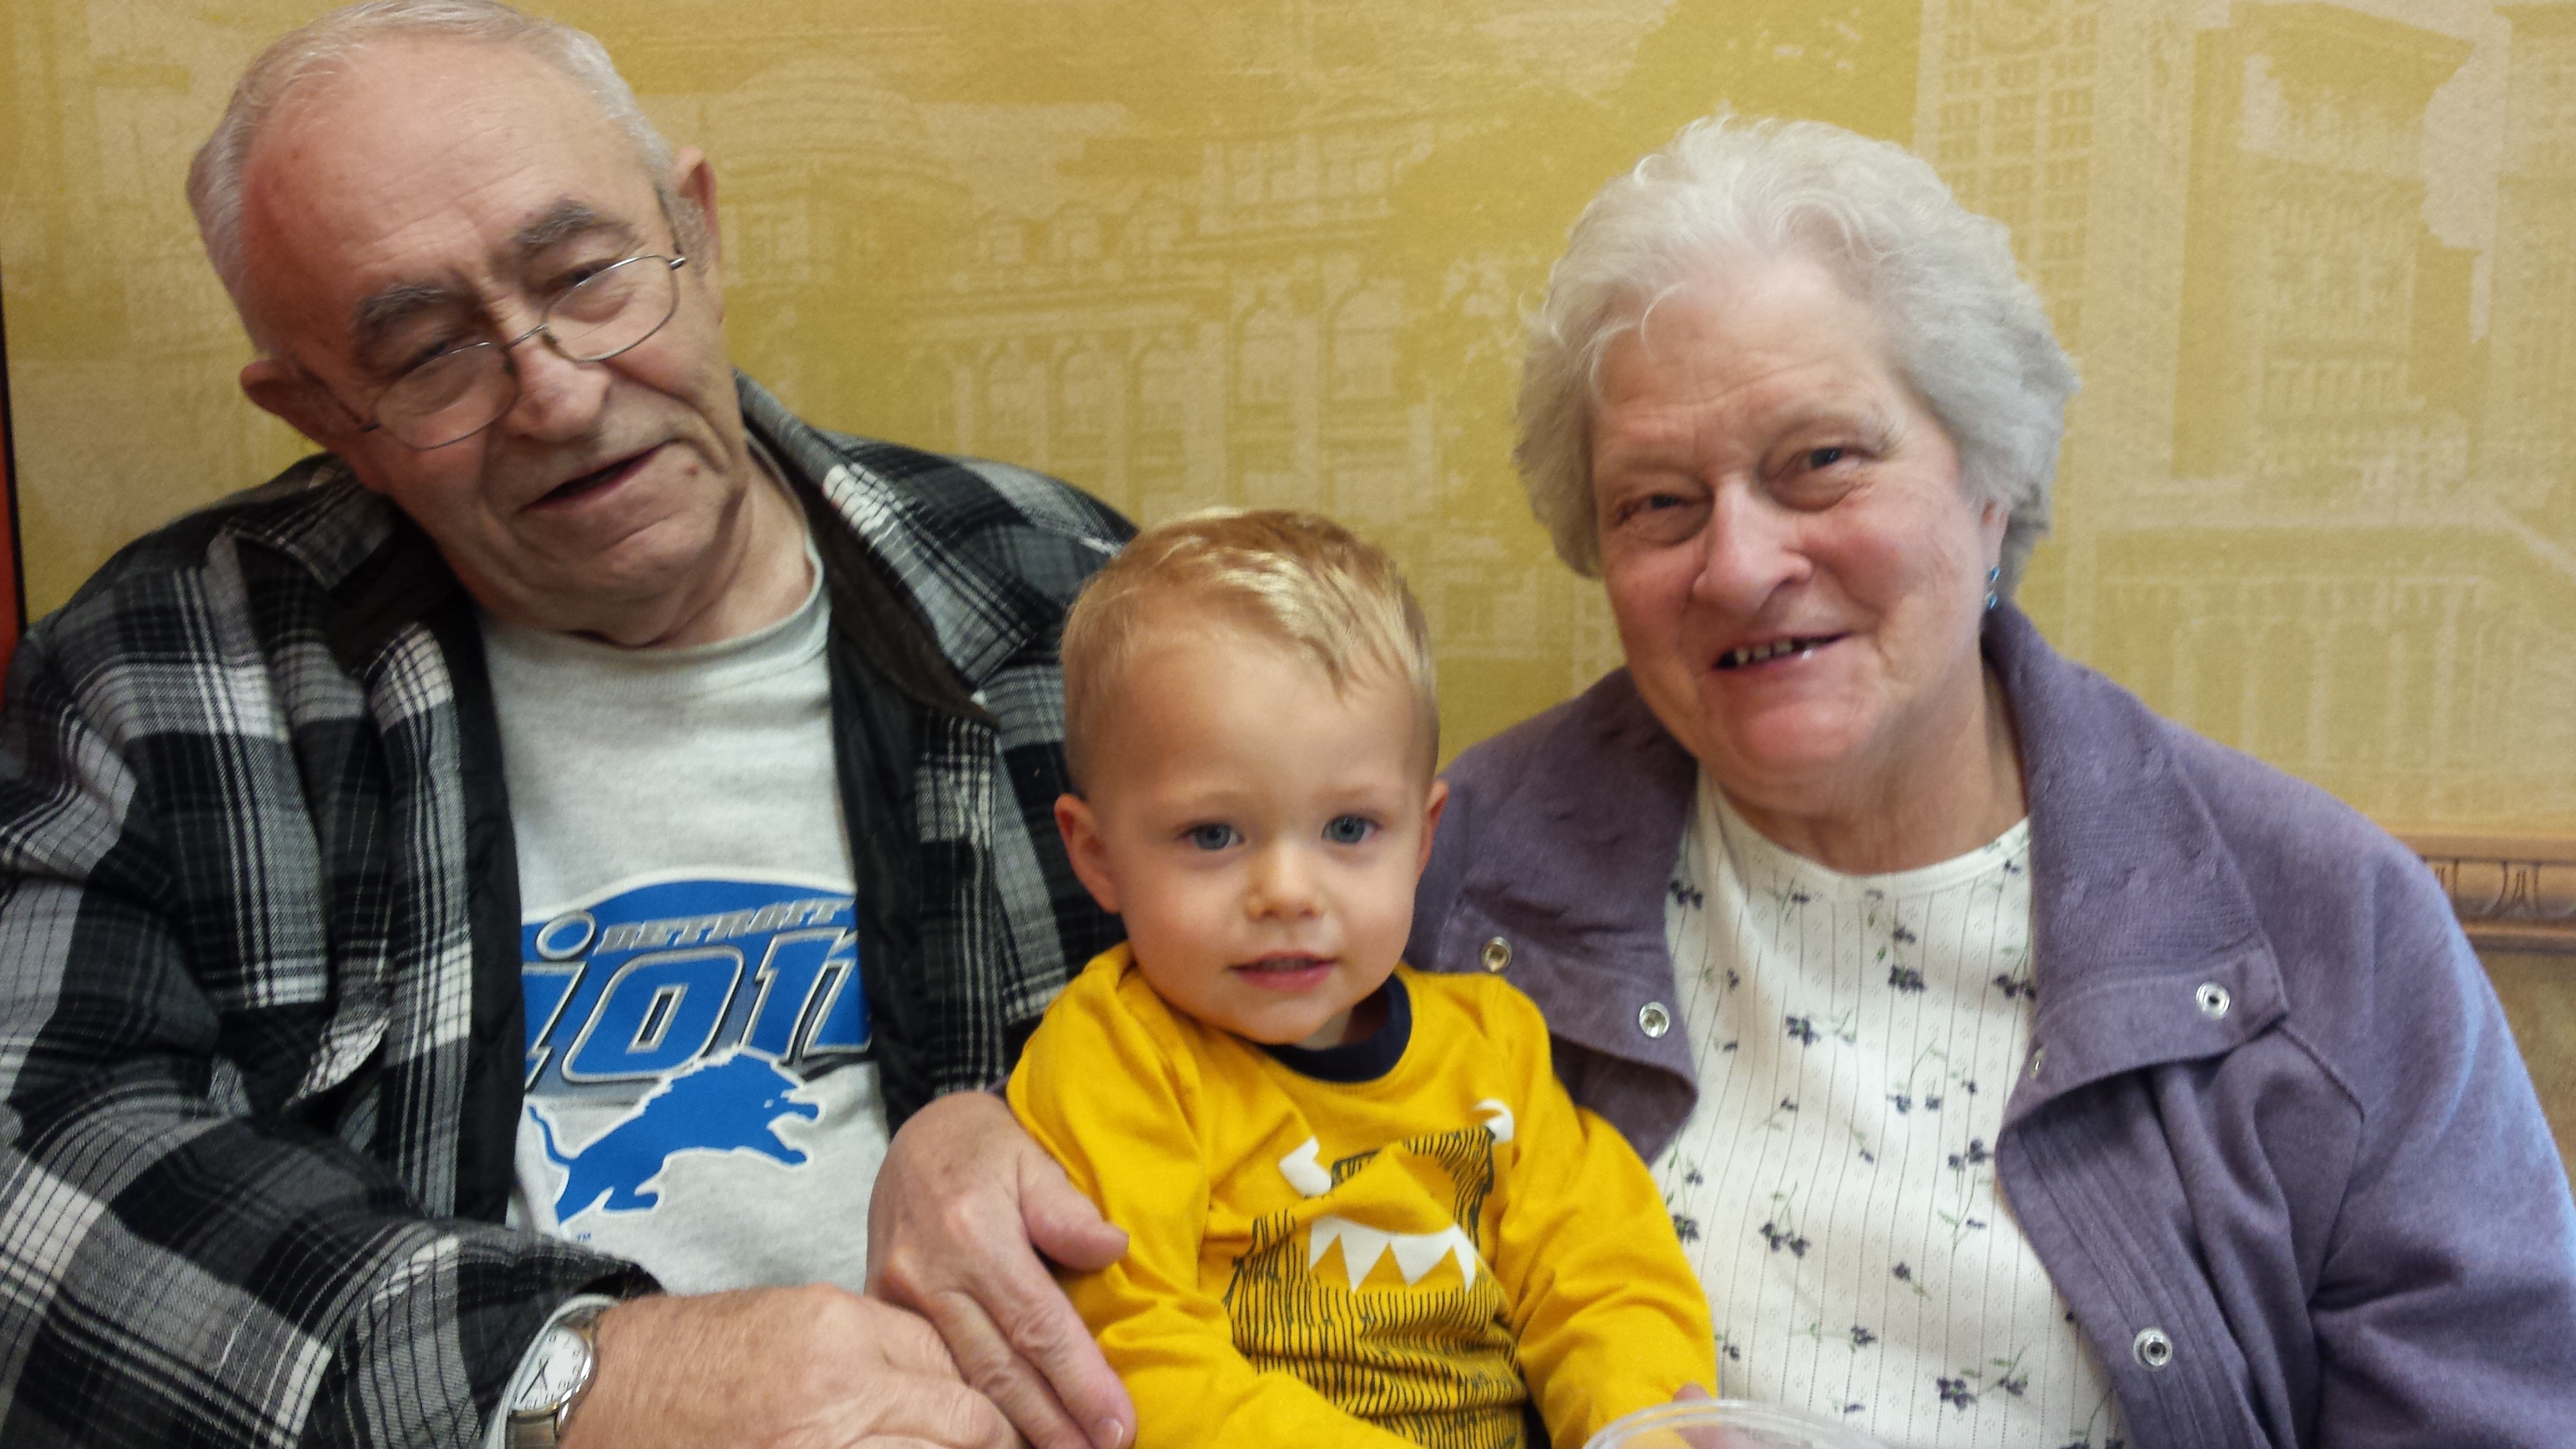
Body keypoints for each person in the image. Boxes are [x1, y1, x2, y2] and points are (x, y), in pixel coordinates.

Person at [870, 116, 2576, 1448]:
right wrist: (960, 1133)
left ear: (1990, 483)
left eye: (1820, 460)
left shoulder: (2322, 929)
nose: (1742, 563)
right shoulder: (1448, 873)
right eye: (1659, 504)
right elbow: (1146, 1137)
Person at [0, 3, 1138, 1447]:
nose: (554, 392)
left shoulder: (1058, 592)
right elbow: (39, 1162)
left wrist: (1031, 1123)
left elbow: (1333, 1043)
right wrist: (565, 1380)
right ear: (320, 413)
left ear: (697, 233)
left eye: (589, 277)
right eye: (428, 352)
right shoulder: (162, 675)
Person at [1008, 509, 1717, 1448]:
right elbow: (1130, 1347)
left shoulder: (1494, 1046)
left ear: (1422, 839)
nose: (1288, 892)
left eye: (1349, 829)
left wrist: (1640, 1424)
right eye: (1212, 835)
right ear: (1098, 856)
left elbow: (1603, 1272)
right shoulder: (1116, 1057)